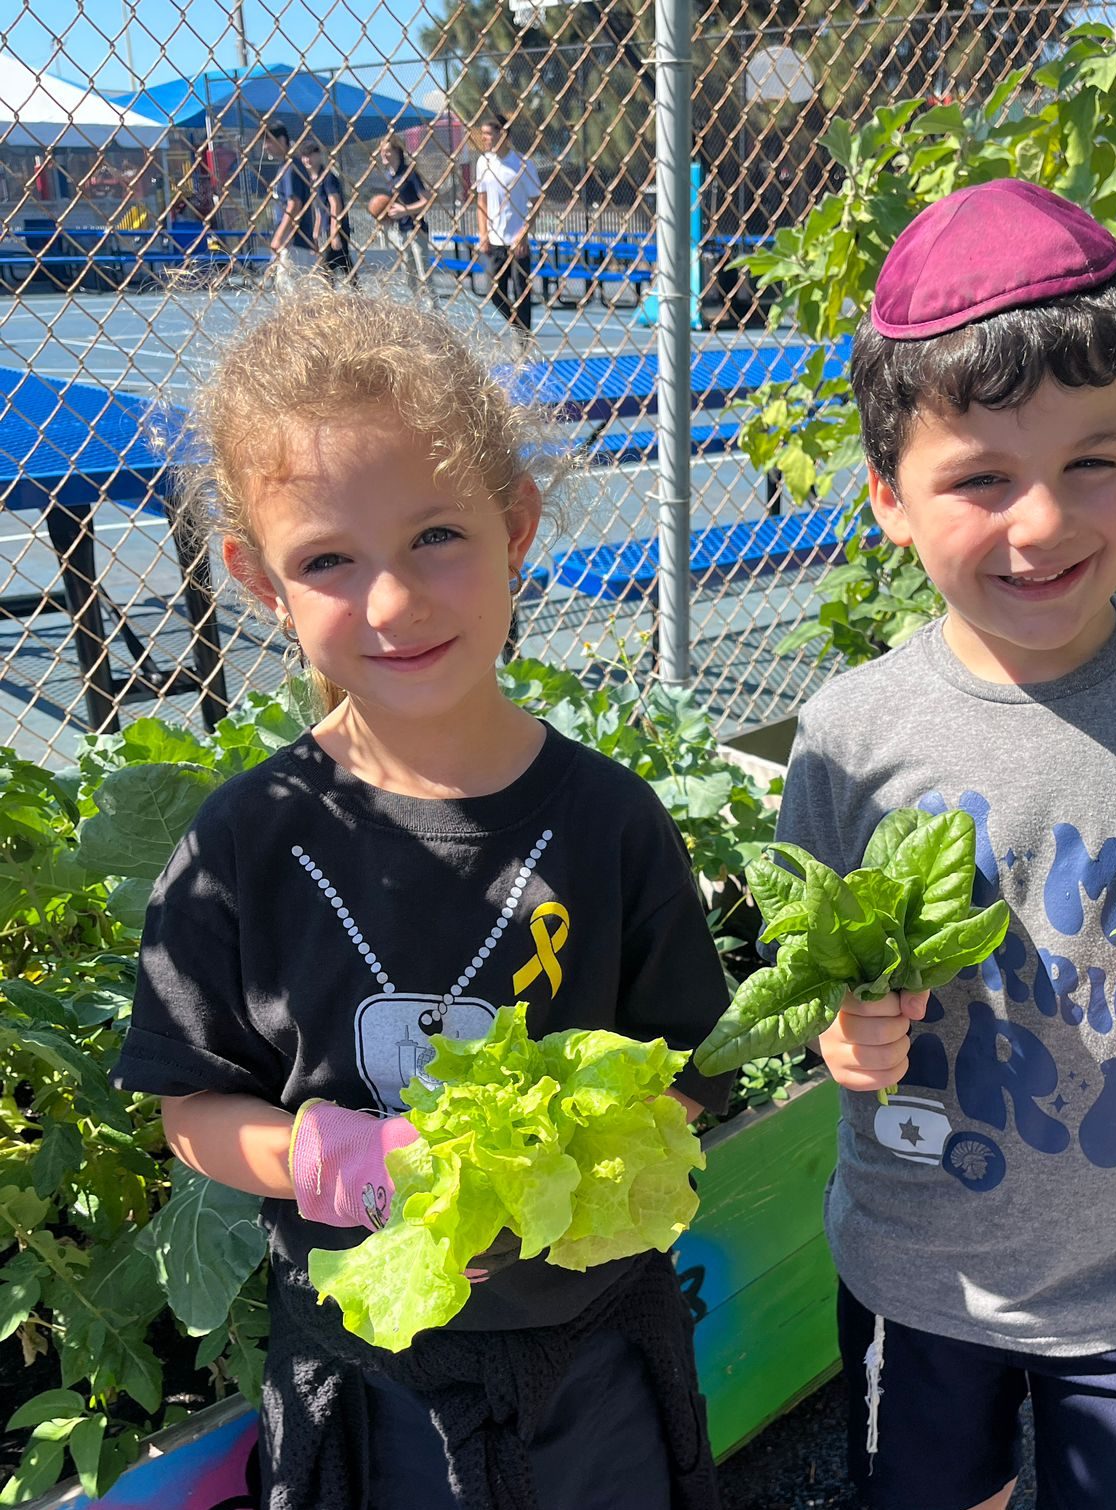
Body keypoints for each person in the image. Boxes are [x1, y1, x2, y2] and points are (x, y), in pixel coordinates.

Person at [111, 288, 731, 1510]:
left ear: (518, 524)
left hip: (593, 1348)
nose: (391, 602)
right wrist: (311, 1155)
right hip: (364, 1367)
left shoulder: (611, 824)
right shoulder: (245, 841)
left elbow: (696, 1073)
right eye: (328, 561)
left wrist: (589, 1141)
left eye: (437, 535)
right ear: (256, 580)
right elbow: (189, 1106)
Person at [773, 179, 1116, 1510]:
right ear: (889, 499)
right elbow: (813, 974)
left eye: (1095, 461)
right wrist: (838, 1033)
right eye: (980, 477)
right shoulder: (852, 729)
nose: (1043, 522)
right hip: (924, 1268)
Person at [473, 114, 542, 335]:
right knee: (496, 294)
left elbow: (537, 200)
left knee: (522, 292)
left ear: (504, 134)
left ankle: (523, 340)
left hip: (517, 241)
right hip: (494, 241)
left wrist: (523, 233)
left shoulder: (522, 164)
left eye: (489, 134)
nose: (484, 139)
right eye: (483, 134)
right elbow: (481, 200)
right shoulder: (483, 162)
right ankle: (518, 328)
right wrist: (483, 234)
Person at [378, 134, 435, 297]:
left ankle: (434, 309)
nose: (383, 154)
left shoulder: (409, 173)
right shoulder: (390, 177)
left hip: (416, 229)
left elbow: (427, 200)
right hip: (401, 231)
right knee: (408, 275)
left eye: (387, 151)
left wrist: (405, 210)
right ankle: (416, 307)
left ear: (397, 152)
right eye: (382, 151)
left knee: (424, 273)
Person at [264, 123, 320, 271]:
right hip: (292, 241)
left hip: (293, 241)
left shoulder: (291, 168)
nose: (265, 146)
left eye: (268, 141)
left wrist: (279, 237)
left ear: (281, 140)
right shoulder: (285, 166)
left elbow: (294, 204)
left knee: (290, 288)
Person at [300, 140, 353, 283]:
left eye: (311, 155)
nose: (307, 159)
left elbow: (335, 204)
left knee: (328, 267)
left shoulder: (328, 177)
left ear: (318, 156)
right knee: (343, 265)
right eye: (304, 156)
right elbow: (319, 208)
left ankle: (335, 295)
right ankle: (355, 291)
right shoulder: (312, 180)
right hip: (326, 230)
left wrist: (335, 233)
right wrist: (315, 233)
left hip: (337, 228)